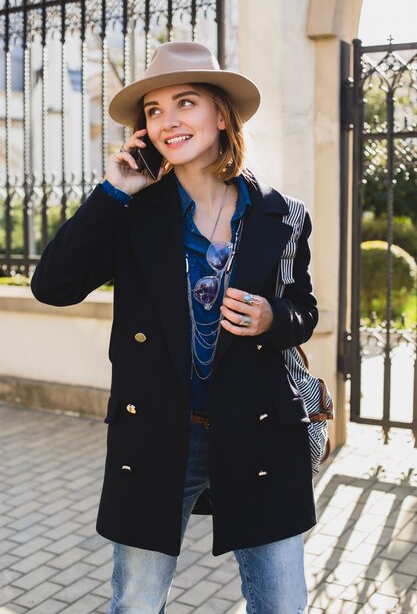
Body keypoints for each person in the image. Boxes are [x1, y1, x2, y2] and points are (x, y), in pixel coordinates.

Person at [31, 41, 318, 614]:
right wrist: (114, 191)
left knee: (283, 604)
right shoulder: (132, 213)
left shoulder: (281, 214)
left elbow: (304, 310)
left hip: (261, 428)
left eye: (185, 103)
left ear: (221, 114)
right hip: (161, 432)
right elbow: (52, 286)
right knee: (136, 603)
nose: (168, 121)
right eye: (155, 111)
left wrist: (271, 319)